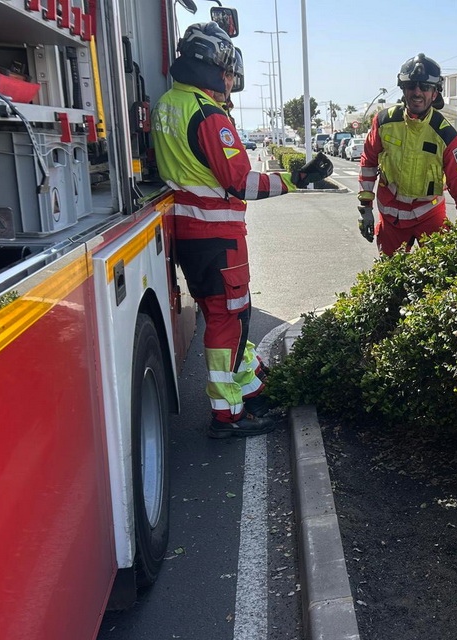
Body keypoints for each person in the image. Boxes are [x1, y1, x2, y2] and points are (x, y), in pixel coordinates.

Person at [152, 22, 332, 439]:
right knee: (226, 318)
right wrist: (294, 180)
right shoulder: (209, 115)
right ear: (214, 67)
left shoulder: (167, 105)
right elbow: (242, 182)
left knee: (236, 310)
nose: (231, 81)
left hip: (191, 233)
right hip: (217, 233)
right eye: (229, 71)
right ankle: (227, 413)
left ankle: (248, 388)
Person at [357, 53, 457, 256]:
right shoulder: (384, 121)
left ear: (435, 93)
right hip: (391, 219)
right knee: (389, 279)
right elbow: (368, 162)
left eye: (425, 87)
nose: (417, 92)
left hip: (429, 217)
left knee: (441, 276)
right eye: (411, 86)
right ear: (403, 89)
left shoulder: (445, 134)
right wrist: (365, 207)